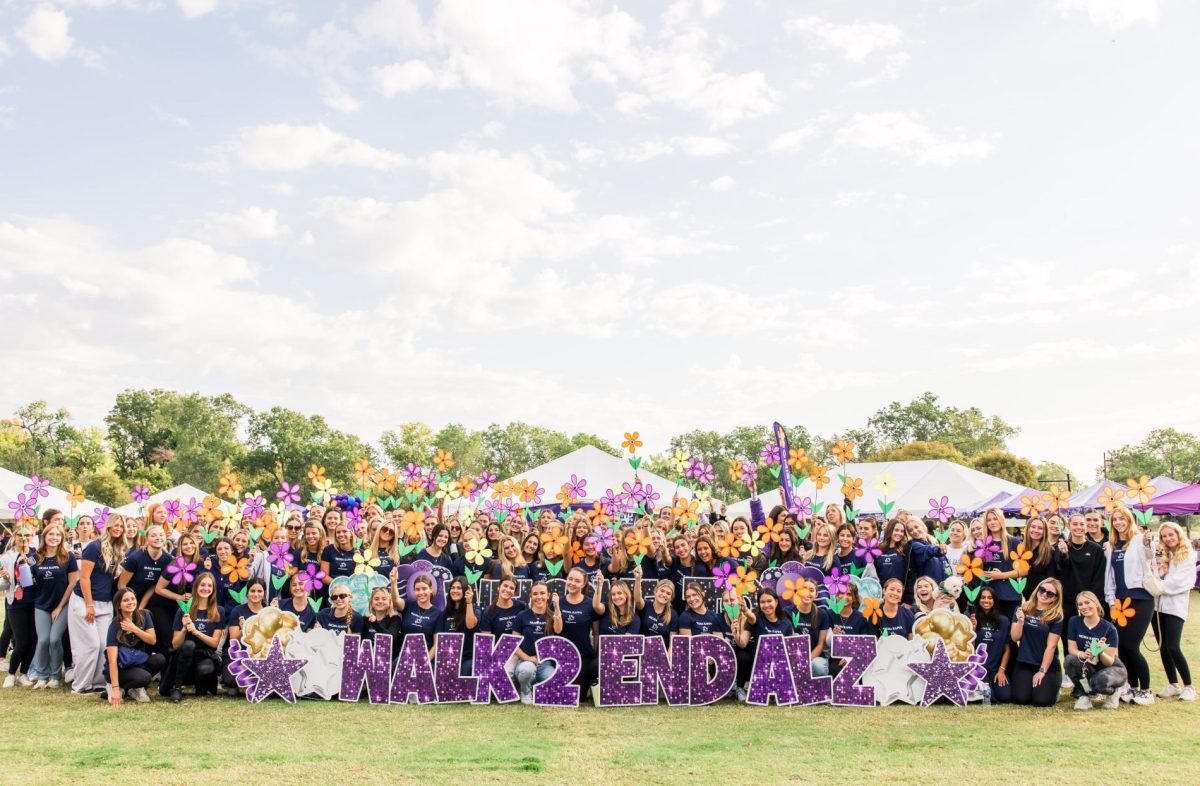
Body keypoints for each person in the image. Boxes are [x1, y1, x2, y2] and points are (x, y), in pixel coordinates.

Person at [69, 513, 129, 694]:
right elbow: (84, 578)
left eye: (121, 526)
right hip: (84, 601)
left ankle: (98, 683)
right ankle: (80, 685)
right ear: (108, 526)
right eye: (115, 525)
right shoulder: (95, 547)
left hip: (105, 603)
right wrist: (89, 605)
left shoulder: (117, 549)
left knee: (105, 645)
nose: (117, 529)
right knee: (91, 645)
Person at [1104, 507, 1154, 705]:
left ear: (1129, 520)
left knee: (1132, 646)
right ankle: (1132, 687)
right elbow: (1109, 576)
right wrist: (1110, 602)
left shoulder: (1139, 540)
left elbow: (1149, 556)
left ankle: (1146, 690)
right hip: (1119, 602)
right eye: (1115, 519)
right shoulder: (1111, 545)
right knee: (1122, 647)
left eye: (1122, 518)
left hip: (1140, 599)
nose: (1118, 522)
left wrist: (1149, 543)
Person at [1148, 521, 1195, 701]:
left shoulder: (1187, 554)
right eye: (1164, 536)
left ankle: (1189, 685)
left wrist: (1157, 586)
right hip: (1158, 606)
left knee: (1173, 646)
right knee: (1163, 646)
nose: (1168, 539)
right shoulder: (1163, 554)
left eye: (1171, 535)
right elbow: (1154, 573)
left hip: (1175, 605)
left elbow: (1181, 581)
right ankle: (1173, 684)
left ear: (1178, 534)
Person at [28, 523, 79, 688]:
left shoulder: (68, 557)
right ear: (44, 537)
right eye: (51, 534)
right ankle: (42, 676)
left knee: (54, 639)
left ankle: (55, 676)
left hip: (62, 605)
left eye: (58, 535)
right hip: (42, 604)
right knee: (43, 640)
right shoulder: (35, 557)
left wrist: (59, 607)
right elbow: (27, 580)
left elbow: (73, 583)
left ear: (62, 538)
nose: (54, 538)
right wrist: (21, 564)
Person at [162, 572, 225, 703]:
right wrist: (185, 628)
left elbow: (214, 643)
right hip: (184, 656)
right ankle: (177, 687)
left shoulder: (218, 611)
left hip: (205, 655)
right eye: (202, 585)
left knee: (206, 669)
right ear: (196, 587)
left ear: (213, 589)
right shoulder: (183, 610)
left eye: (209, 586)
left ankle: (200, 684)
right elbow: (175, 644)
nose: (205, 588)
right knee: (189, 644)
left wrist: (196, 632)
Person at [1065, 591, 1126, 710]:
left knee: (1097, 683)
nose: (1084, 607)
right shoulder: (1074, 622)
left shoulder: (1109, 628)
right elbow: (1071, 648)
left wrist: (1100, 651)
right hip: (1089, 664)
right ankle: (1085, 695)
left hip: (1111, 668)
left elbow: (1109, 662)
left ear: (1096, 604)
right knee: (1070, 660)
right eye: (1080, 604)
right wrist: (1081, 654)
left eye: (1087, 602)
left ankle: (1115, 690)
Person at [118, 525, 174, 655]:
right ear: (147, 539)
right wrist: (131, 605)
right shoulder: (135, 557)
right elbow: (122, 584)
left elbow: (155, 587)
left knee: (156, 632)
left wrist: (141, 606)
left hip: (150, 600)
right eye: (153, 535)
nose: (158, 538)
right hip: (128, 598)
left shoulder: (168, 560)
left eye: (161, 535)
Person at [104, 587, 164, 706]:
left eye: (133, 598)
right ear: (119, 605)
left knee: (160, 659)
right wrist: (115, 688)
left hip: (137, 662)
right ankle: (114, 686)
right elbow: (112, 660)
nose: (131, 602)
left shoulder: (144, 615)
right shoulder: (114, 625)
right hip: (120, 668)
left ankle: (134, 689)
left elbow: (152, 640)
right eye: (126, 600)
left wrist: (134, 628)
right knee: (144, 677)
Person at [1009, 577, 1064, 706]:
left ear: (1055, 598)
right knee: (1021, 699)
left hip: (1046, 665)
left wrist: (1042, 671)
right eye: (1042, 590)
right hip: (1025, 662)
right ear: (1037, 589)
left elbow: (1051, 647)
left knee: (1041, 701)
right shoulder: (1022, 609)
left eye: (1050, 593)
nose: (1044, 594)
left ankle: (1054, 690)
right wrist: (1021, 622)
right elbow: (1014, 638)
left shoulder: (1056, 616)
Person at [733, 587, 793, 699]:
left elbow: (790, 648)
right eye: (762, 602)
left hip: (779, 666)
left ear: (776, 601)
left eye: (769, 601)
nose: (766, 605)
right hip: (760, 666)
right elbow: (743, 642)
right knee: (743, 656)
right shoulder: (757, 618)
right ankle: (742, 687)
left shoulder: (786, 623)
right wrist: (745, 612)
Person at [2, 523, 38, 687]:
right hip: (16, 604)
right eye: (21, 535)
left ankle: (23, 674)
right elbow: (2, 585)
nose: (24, 539)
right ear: (14, 537)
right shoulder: (6, 557)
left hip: (35, 603)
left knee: (33, 640)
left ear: (33, 537)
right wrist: (6, 578)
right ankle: (10, 674)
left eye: (28, 536)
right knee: (21, 641)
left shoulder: (36, 555)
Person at [556, 567, 602, 693]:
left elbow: (596, 633)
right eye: (570, 579)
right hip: (562, 656)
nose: (572, 583)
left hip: (583, 656)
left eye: (577, 580)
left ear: (584, 584)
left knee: (578, 696)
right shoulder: (558, 602)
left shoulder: (589, 604)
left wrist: (595, 654)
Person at [1055, 513, 1106, 621]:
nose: (1078, 527)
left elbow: (1099, 577)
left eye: (1082, 524)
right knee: (1068, 632)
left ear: (1086, 526)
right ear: (1069, 526)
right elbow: (1059, 569)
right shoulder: (1061, 547)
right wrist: (1064, 554)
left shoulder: (1096, 549)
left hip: (1088, 601)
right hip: (1067, 600)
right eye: (1075, 524)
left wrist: (1092, 599)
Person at [514, 582, 556, 704]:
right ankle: (525, 691)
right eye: (535, 594)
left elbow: (558, 632)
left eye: (542, 593)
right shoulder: (521, 616)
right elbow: (514, 644)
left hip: (545, 663)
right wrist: (527, 658)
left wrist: (557, 608)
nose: (539, 597)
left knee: (553, 679)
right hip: (525, 661)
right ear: (531, 596)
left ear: (548, 595)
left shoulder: (553, 616)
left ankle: (537, 686)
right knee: (526, 670)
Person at [971, 586, 1011, 704]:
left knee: (1005, 697)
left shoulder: (1004, 621)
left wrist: (1001, 670)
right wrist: (973, 629)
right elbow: (969, 648)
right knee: (989, 696)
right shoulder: (972, 618)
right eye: (983, 597)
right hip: (978, 668)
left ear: (994, 600)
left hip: (995, 669)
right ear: (978, 600)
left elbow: (1007, 649)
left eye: (990, 598)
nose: (986, 600)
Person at [393, 573, 442, 660]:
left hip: (425, 658)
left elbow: (436, 644)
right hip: (405, 657)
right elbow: (395, 601)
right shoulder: (408, 605)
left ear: (431, 589)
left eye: (424, 589)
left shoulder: (438, 614)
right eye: (417, 589)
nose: (421, 592)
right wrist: (393, 583)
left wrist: (425, 662)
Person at [440, 577, 479, 674]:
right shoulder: (444, 614)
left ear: (465, 591)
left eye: (459, 588)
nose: (455, 590)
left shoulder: (475, 610)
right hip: (448, 658)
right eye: (452, 588)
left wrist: (469, 602)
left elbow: (470, 625)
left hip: (467, 659)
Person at [632, 567, 676, 641]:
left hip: (662, 652)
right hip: (643, 650)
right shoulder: (646, 605)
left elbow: (672, 642)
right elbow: (637, 599)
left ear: (671, 598)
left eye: (668, 593)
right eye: (662, 591)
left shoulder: (673, 615)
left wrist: (668, 653)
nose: (664, 595)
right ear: (655, 591)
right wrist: (638, 579)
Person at [1019, 516, 1056, 599]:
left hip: (1041, 598)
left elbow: (1051, 579)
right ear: (1028, 528)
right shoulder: (1021, 548)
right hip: (1023, 597)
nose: (1035, 530)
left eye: (1040, 528)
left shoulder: (1049, 551)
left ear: (1045, 531)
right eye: (1033, 527)